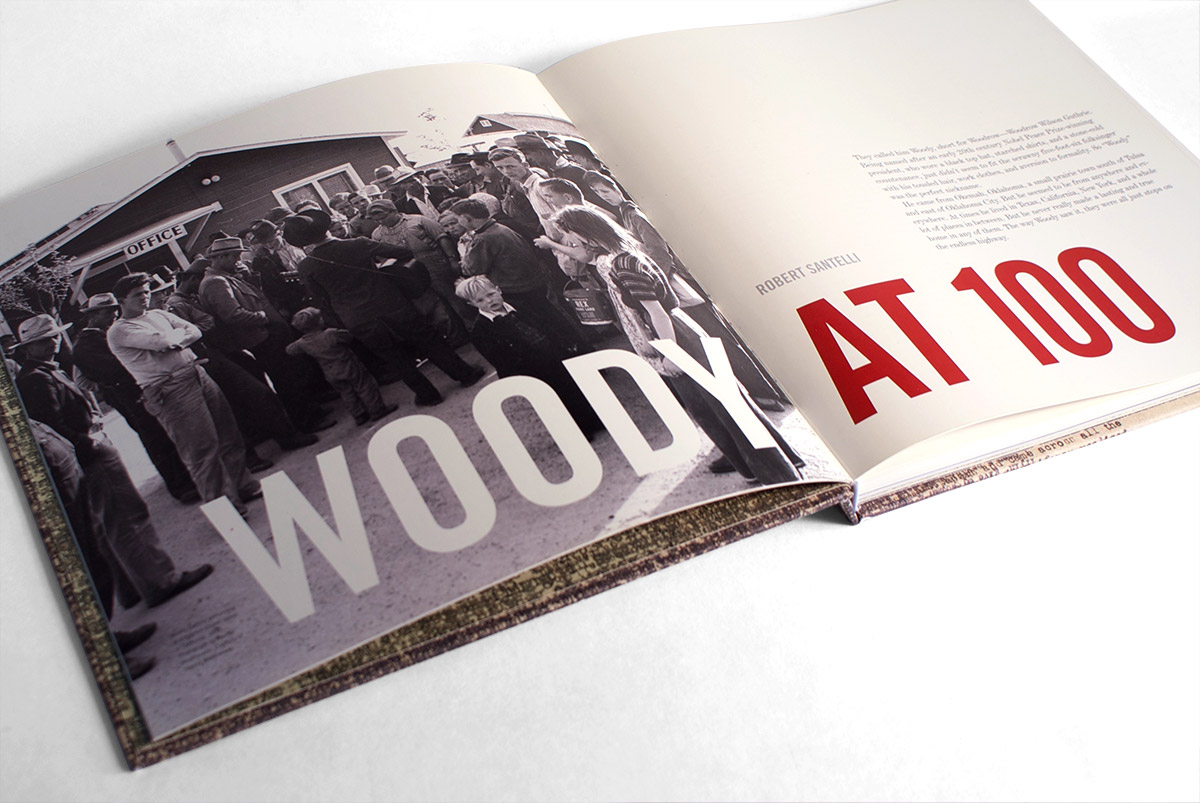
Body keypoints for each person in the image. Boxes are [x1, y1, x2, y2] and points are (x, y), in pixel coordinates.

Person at [551, 206, 804, 485]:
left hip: (676, 336)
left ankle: (775, 471)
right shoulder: (612, 257)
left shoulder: (622, 265)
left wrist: (670, 353)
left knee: (722, 405)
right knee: (710, 405)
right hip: (675, 332)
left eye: (573, 239)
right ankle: (763, 465)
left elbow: (657, 312)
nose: (572, 246)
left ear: (588, 236)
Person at [16, 312, 216, 607]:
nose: (53, 343)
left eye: (54, 336)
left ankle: (133, 587)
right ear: (26, 349)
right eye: (43, 341)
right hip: (90, 454)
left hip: (87, 451)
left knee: (111, 523)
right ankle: (161, 580)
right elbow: (56, 426)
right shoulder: (36, 379)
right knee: (128, 517)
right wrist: (91, 446)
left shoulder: (43, 372)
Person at [283, 208, 486, 407]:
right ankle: (465, 374)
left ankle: (428, 395)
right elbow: (403, 253)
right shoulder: (358, 244)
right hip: (391, 303)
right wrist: (380, 269)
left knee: (395, 358)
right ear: (326, 228)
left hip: (356, 317)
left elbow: (320, 299)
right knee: (428, 340)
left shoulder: (306, 266)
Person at [107, 273, 263, 515]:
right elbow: (161, 342)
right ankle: (224, 508)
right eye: (138, 295)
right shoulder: (119, 330)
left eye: (147, 292)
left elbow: (194, 330)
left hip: (195, 372)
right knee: (201, 450)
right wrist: (173, 338)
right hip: (168, 386)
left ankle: (243, 486)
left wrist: (174, 339)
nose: (145, 298)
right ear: (121, 300)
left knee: (227, 434)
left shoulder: (158, 315)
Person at [71, 293, 199, 503]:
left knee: (167, 430)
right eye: (106, 312)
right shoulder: (85, 345)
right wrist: (107, 389)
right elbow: (86, 378)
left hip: (141, 386)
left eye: (114, 310)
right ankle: (180, 486)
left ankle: (187, 475)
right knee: (153, 435)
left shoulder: (115, 331)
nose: (113, 315)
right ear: (92, 316)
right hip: (127, 393)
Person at [199, 235, 333, 434]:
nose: (238, 260)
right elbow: (232, 314)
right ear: (221, 257)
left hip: (265, 335)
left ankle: (311, 413)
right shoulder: (215, 282)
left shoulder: (225, 277)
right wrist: (263, 318)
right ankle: (306, 421)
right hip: (261, 337)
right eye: (235, 256)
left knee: (290, 376)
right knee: (284, 379)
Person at [455, 276, 602, 438]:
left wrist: (564, 345)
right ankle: (577, 432)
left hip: (553, 355)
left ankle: (593, 420)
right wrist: (518, 378)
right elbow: (500, 361)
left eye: (490, 294)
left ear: (498, 289)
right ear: (472, 304)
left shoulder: (520, 306)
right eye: (480, 300)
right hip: (530, 369)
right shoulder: (481, 331)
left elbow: (545, 326)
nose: (489, 301)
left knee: (573, 389)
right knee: (551, 402)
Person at [451, 198, 587, 352]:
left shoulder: (483, 239)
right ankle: (581, 348)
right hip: (532, 282)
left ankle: (570, 353)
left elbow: (471, 269)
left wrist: (465, 255)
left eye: (458, 219)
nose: (458, 223)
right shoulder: (500, 227)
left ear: (466, 218)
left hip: (517, 289)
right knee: (553, 318)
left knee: (543, 325)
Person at [366, 198, 474, 321]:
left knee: (455, 300)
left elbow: (442, 238)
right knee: (437, 308)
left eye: (383, 217)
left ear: (393, 211)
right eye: (376, 219)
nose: (380, 221)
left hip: (436, 267)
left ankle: (471, 325)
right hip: (411, 275)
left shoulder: (419, 220)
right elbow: (382, 256)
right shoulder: (377, 234)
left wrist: (452, 259)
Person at [287, 307, 396, 426]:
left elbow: (290, 350)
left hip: (330, 373)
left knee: (346, 393)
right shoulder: (330, 333)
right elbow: (348, 336)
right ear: (319, 322)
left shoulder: (302, 343)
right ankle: (377, 410)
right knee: (365, 386)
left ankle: (359, 415)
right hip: (348, 366)